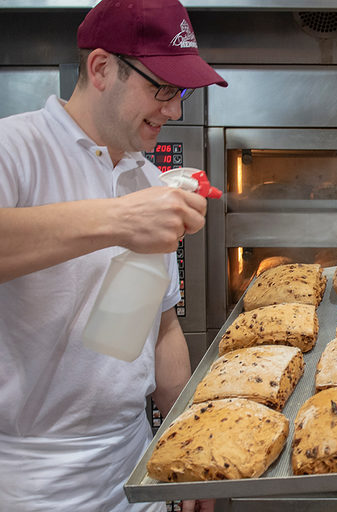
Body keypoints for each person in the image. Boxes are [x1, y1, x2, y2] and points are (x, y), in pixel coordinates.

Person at [0, 0, 227, 510]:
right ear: (101, 68)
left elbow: (163, 327)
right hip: (30, 478)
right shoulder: (14, 148)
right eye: (162, 88)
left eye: (182, 92)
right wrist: (117, 219)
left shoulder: (148, 178)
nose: (174, 110)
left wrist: (185, 444)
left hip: (132, 463)